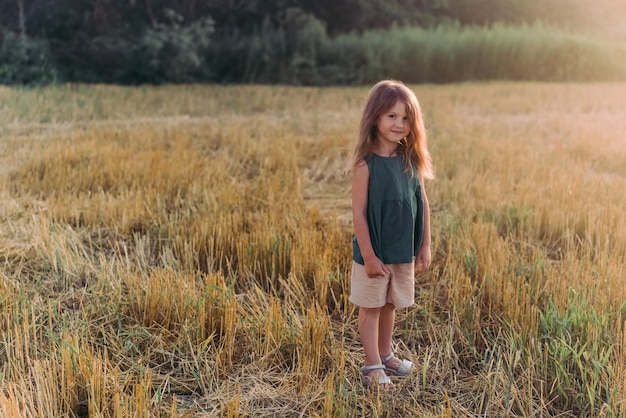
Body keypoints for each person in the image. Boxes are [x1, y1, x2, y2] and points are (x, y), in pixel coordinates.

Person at [349, 79, 434, 390]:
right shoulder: (366, 164)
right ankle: (371, 364)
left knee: (390, 305)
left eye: (406, 117)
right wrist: (369, 256)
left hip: (402, 249)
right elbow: (358, 212)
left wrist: (424, 244)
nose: (400, 124)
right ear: (375, 118)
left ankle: (386, 355)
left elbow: (422, 202)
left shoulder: (411, 159)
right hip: (375, 251)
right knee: (371, 306)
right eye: (391, 116)